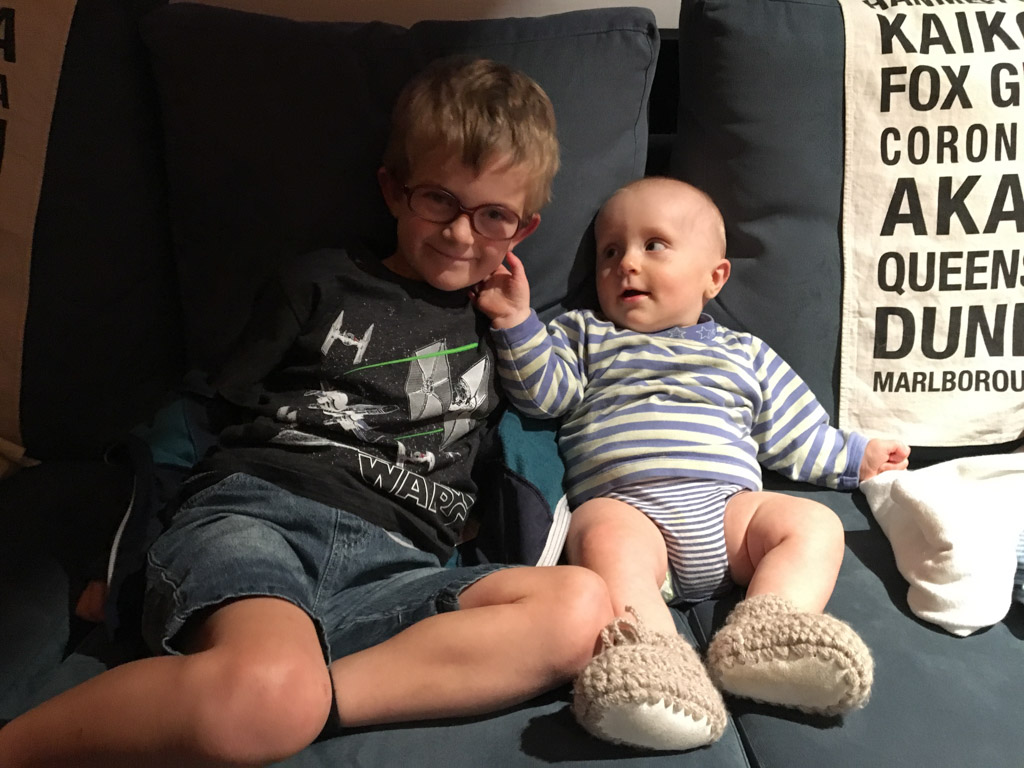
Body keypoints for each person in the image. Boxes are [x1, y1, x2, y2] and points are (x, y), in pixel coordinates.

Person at [0, 57, 616, 768]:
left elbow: (552, 403)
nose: (459, 234)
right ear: (393, 190)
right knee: (271, 689)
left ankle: (303, 698)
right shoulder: (321, 283)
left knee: (583, 608)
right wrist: (131, 557)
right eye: (438, 200)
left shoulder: (503, 331)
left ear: (523, 229)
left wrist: (517, 324)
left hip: (399, 572)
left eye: (492, 217)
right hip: (262, 523)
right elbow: (205, 410)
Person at [472, 176, 911, 751]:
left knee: (815, 524)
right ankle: (655, 659)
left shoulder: (744, 352)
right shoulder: (585, 333)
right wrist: (517, 322)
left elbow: (797, 433)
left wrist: (856, 457)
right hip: (632, 513)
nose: (627, 264)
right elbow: (543, 396)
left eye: (654, 245)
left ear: (715, 277)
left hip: (729, 516)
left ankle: (770, 631)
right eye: (610, 252)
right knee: (599, 530)